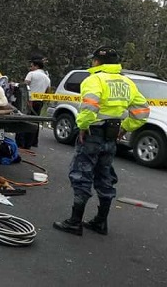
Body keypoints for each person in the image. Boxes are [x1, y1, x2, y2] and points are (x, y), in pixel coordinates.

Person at [53, 46, 149, 236]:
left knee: (81, 173)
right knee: (105, 175)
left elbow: (89, 107)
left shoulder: (94, 79)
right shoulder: (126, 82)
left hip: (93, 133)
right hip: (112, 135)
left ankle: (75, 222)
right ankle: (101, 221)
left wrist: (82, 126)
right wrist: (125, 127)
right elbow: (142, 111)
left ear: (97, 61)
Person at [17, 59, 51, 149]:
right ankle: (31, 143)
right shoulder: (47, 78)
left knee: (24, 120)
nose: (30, 68)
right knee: (35, 121)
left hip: (29, 101)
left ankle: (21, 143)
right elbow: (48, 91)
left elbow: (25, 86)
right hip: (39, 102)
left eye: (31, 66)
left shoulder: (31, 74)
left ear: (36, 66)